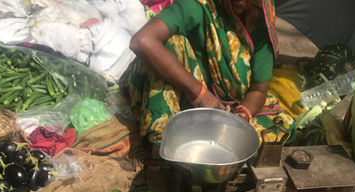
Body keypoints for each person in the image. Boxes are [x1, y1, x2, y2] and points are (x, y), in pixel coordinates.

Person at [121, 0, 296, 157]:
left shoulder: (262, 21)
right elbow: (143, 41)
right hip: (181, 98)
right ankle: (161, 147)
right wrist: (200, 94)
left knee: (282, 124)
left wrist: (240, 116)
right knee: (172, 43)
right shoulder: (199, 6)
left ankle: (209, 138)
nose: (242, 2)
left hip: (226, 107)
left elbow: (259, 89)